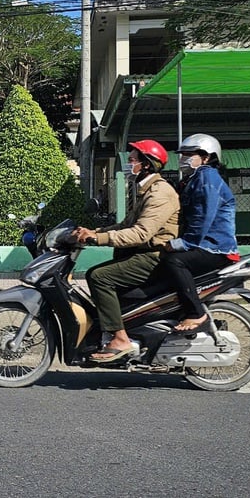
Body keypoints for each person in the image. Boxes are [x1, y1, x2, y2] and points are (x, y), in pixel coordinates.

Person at [72, 140, 180, 362]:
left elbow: (140, 233)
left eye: (132, 160)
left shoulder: (159, 193)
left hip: (153, 256)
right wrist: (94, 231)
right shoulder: (144, 189)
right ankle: (121, 326)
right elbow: (125, 225)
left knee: (99, 277)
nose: (128, 164)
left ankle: (120, 338)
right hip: (143, 252)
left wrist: (99, 238)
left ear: (147, 164)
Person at [161, 133, 239, 333]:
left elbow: (202, 218)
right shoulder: (192, 179)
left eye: (190, 154)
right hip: (204, 244)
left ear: (206, 158)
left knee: (173, 261)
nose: (183, 159)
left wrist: (181, 244)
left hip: (215, 248)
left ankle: (196, 313)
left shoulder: (207, 177)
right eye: (182, 154)